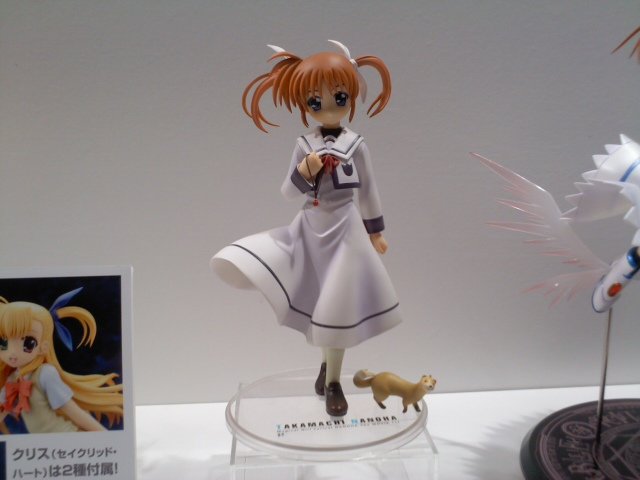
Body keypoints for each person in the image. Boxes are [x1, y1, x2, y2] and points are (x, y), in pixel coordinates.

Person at [211, 40, 402, 416]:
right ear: (304, 105)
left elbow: (368, 190)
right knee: (317, 300)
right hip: (310, 230)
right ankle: (327, 369)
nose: (328, 107)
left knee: (338, 306)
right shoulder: (305, 145)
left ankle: (332, 381)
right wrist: (305, 171)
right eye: (316, 102)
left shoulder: (357, 146)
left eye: (339, 97)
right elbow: (287, 191)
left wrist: (375, 231)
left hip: (346, 233)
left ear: (352, 97)